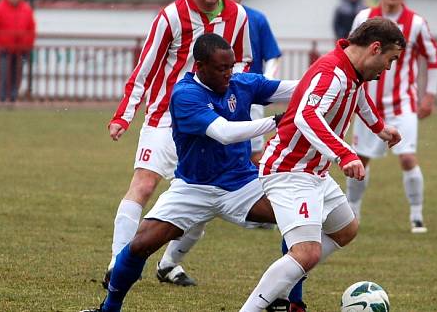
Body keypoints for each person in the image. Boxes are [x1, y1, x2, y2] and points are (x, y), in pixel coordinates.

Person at [81, 33, 297, 312]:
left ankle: (284, 299)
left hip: (241, 184)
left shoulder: (242, 83)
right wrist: (276, 121)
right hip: (193, 188)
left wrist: (333, 80)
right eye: (221, 68)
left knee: (298, 222)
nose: (229, 74)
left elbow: (297, 88)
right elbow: (223, 132)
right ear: (199, 66)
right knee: (139, 246)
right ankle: (109, 308)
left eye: (231, 66)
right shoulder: (185, 94)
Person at [102, 0, 252, 289]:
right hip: (165, 118)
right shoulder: (171, 17)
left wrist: (232, 99)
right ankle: (117, 264)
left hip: (207, 123)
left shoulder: (238, 17)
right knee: (143, 185)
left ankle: (169, 264)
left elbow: (242, 62)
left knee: (201, 199)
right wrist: (124, 115)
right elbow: (145, 69)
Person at [240, 17, 405, 312]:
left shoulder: (352, 73)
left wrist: (380, 128)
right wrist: (346, 154)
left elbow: (358, 97)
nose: (388, 68)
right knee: (307, 252)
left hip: (314, 172)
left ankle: (282, 289)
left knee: (346, 229)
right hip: (289, 170)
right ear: (375, 48)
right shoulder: (332, 73)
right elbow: (307, 116)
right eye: (390, 60)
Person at [347, 0, 437, 233]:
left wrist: (430, 95)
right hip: (368, 103)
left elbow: (434, 59)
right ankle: (352, 211)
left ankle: (416, 216)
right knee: (359, 159)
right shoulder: (364, 18)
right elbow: (349, 52)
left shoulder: (417, 23)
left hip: (403, 103)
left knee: (408, 158)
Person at [224, 0, 282, 166]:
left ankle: (258, 195)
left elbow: (272, 55)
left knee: (254, 153)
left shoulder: (257, 19)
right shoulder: (212, 17)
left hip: (249, 95)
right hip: (216, 94)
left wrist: (266, 84)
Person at [0, 0, 36, 104]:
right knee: (2, 74)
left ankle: (12, 97)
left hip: (20, 50)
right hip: (3, 50)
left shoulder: (26, 9)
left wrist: (27, 45)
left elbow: (31, 28)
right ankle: (0, 97)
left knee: (17, 75)